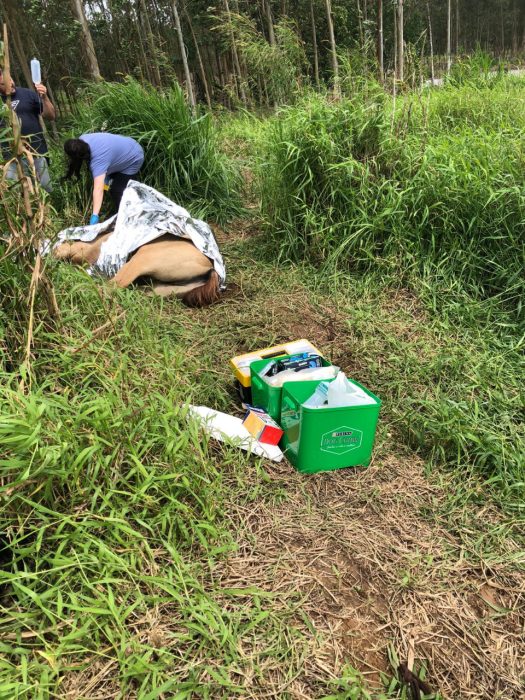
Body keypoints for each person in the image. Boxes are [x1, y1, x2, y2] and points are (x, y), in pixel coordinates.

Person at [63, 133, 144, 225]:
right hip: (126, 146)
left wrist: (95, 215)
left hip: (134, 157)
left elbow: (98, 189)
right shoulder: (82, 140)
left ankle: (126, 220)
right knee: (108, 184)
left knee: (117, 190)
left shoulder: (98, 161)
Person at [0, 69, 56, 192]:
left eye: (10, 79)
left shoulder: (28, 94)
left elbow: (51, 116)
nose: (10, 83)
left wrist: (45, 97)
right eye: (4, 83)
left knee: (45, 188)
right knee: (17, 192)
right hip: (11, 158)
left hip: (36, 151)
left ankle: (46, 211)